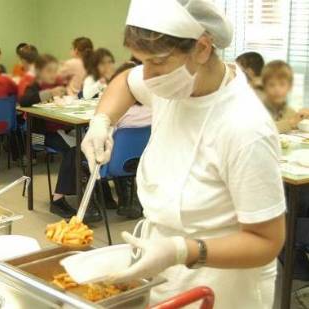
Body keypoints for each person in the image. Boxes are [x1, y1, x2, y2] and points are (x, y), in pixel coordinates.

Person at [81, 1, 286, 308]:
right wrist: (102, 121)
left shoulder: (245, 128)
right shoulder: (173, 84)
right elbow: (125, 82)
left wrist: (183, 251)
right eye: (141, 61)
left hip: (221, 286)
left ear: (202, 48)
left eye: (157, 62)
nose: (147, 76)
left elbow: (267, 242)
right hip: (163, 270)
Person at [19, 54, 101, 222]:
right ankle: (57, 200)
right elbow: (24, 101)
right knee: (73, 150)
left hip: (60, 130)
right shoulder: (33, 85)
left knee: (87, 145)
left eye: (54, 70)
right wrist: (49, 93)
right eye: (49, 71)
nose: (53, 74)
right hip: (38, 135)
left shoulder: (58, 83)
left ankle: (93, 194)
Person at [110, 61, 152, 220]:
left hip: (117, 162)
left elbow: (108, 137)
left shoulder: (119, 112)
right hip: (146, 160)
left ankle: (92, 207)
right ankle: (129, 200)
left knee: (78, 156)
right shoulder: (154, 108)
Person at [262, 60, 309, 134]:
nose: (277, 89)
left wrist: (303, 118)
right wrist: (291, 122)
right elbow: (263, 130)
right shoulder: (259, 109)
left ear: (290, 86)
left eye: (282, 84)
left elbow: (296, 125)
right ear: (264, 87)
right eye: (271, 85)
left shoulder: (289, 111)